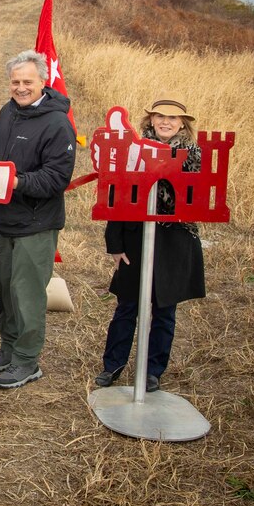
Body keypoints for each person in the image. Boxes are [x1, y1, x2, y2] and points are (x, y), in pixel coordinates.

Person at [96, 97, 206, 392]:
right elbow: (116, 196)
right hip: (135, 237)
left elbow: (195, 199)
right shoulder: (133, 150)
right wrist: (115, 244)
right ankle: (112, 366)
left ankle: (153, 371)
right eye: (160, 117)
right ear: (151, 120)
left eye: (172, 118)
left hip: (173, 239)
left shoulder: (193, 154)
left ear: (183, 123)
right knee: (127, 305)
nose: (165, 122)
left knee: (165, 308)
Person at [0, 49, 76, 389]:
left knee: (27, 294)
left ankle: (27, 360)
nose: (21, 88)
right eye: (15, 82)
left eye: (27, 82)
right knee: (6, 292)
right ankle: (9, 349)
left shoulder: (57, 123)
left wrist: (17, 183)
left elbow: (57, 179)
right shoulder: (7, 113)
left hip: (36, 225)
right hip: (4, 220)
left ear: (43, 81)